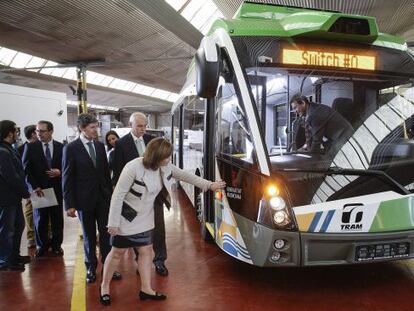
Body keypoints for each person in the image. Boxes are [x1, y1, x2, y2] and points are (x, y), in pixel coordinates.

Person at [99, 138, 226, 305]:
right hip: (126, 218)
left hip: (146, 218)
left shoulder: (166, 167)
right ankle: (104, 287)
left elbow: (187, 176)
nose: (169, 159)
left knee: (146, 252)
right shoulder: (133, 167)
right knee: (117, 253)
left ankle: (146, 289)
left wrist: (210, 185)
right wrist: (113, 222)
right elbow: (118, 195)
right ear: (156, 156)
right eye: (166, 156)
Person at [62, 113, 121, 283]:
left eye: (97, 127)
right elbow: (67, 177)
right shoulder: (71, 148)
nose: (96, 130)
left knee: (106, 234)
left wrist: (111, 197)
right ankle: (91, 268)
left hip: (103, 199)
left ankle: (109, 267)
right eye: (93, 127)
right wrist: (69, 204)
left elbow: (104, 174)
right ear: (82, 128)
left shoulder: (100, 146)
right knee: (88, 235)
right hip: (84, 200)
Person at [113, 112, 170, 277]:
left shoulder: (152, 140)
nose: (143, 129)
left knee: (158, 229)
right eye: (139, 126)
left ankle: (160, 261)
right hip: (135, 197)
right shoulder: (121, 144)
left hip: (154, 194)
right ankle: (141, 262)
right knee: (139, 232)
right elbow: (118, 173)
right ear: (130, 125)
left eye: (145, 126)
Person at [22, 121, 64, 257]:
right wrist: (34, 187)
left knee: (57, 218)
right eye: (37, 131)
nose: (39, 134)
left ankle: (57, 246)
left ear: (51, 131)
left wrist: (60, 172)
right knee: (40, 220)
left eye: (42, 131)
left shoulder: (61, 147)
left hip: (56, 188)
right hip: (39, 190)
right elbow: (26, 170)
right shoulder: (31, 147)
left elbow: (69, 167)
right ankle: (42, 246)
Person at [0, 120, 31, 271]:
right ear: (9, 133)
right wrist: (25, 192)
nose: (17, 135)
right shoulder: (2, 151)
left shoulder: (8, 149)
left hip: (13, 198)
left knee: (18, 226)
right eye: (15, 131)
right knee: (7, 230)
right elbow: (11, 176)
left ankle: (14, 255)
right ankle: (5, 260)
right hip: (6, 199)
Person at [17, 125, 38, 249]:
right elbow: (22, 169)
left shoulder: (40, 147)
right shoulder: (21, 149)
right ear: (32, 134)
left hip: (42, 183)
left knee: (45, 208)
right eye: (37, 132)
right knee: (30, 211)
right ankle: (31, 237)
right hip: (29, 185)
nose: (39, 134)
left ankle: (46, 234)